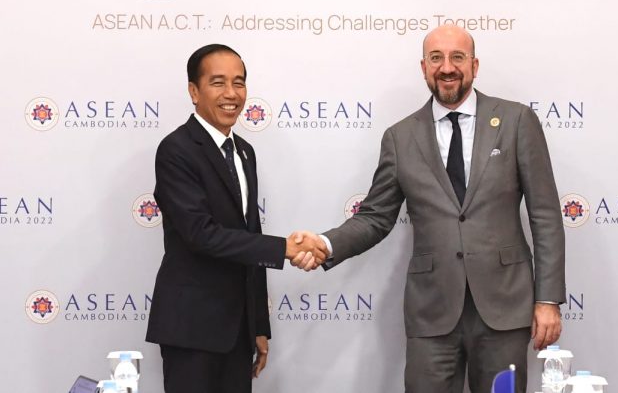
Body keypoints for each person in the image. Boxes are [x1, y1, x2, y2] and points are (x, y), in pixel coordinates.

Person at [292, 26, 566, 393]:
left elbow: (545, 215)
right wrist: (325, 243)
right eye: (436, 58)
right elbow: (375, 217)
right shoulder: (400, 137)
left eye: (457, 57)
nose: (447, 67)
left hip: (505, 309)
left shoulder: (516, 121)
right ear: (423, 67)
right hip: (432, 314)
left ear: (474, 64)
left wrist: (547, 299)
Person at [146, 44, 326, 393]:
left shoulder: (244, 151)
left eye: (239, 82)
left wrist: (258, 324)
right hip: (193, 329)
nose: (231, 94)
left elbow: (249, 234)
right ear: (194, 91)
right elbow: (201, 234)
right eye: (218, 83)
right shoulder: (176, 150)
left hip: (237, 332)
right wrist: (284, 248)